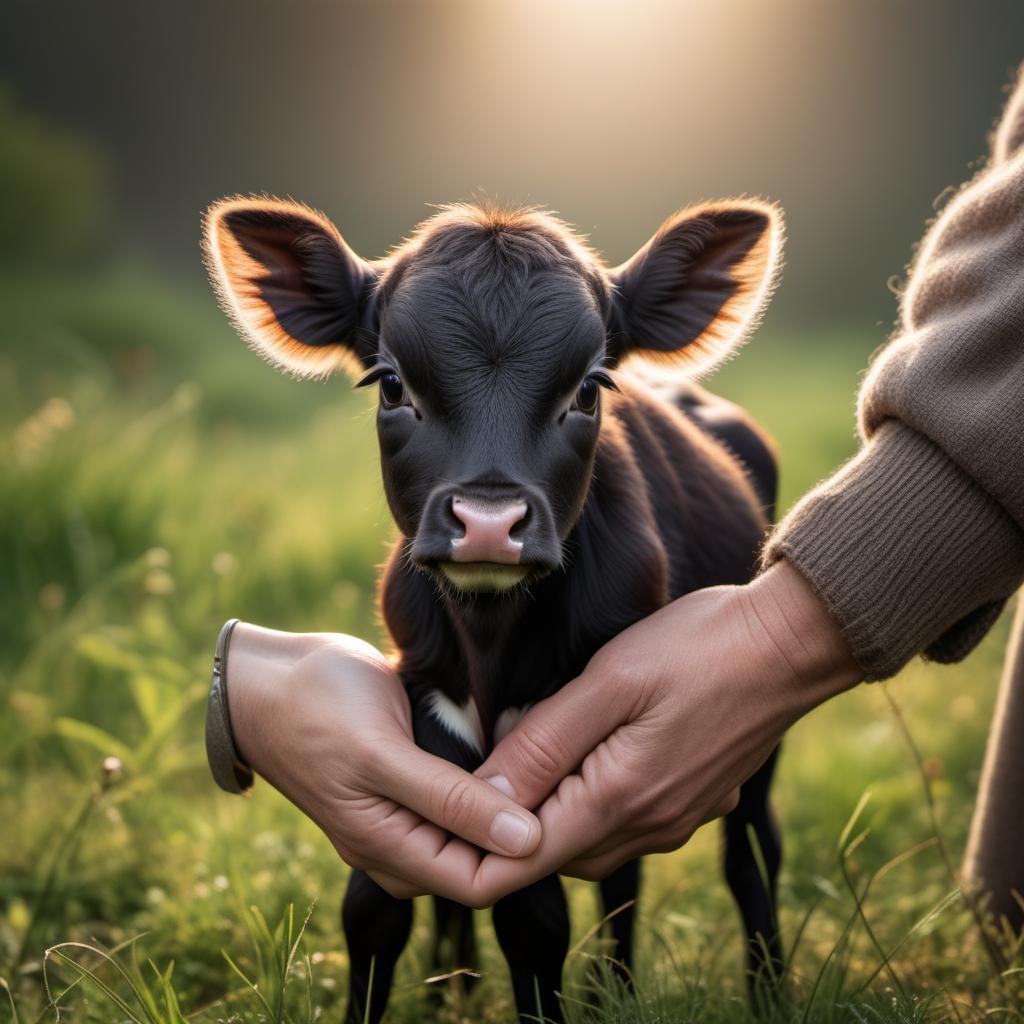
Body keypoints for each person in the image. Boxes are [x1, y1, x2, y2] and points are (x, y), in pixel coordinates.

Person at [207, 70, 1024, 926]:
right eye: (398, 392)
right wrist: (232, 691)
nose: (489, 494)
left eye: (580, 395)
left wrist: (783, 636)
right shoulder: (412, 595)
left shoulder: (628, 555)